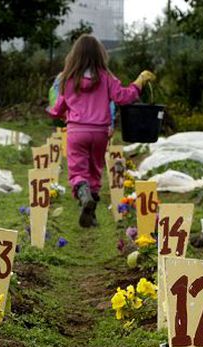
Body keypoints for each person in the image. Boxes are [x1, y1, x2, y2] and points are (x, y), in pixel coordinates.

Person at [47, 35, 155, 228]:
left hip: (76, 131)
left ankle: (83, 193)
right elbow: (122, 97)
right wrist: (138, 83)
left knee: (78, 170)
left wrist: (54, 112)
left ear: (75, 55)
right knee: (95, 170)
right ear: (100, 55)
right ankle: (92, 213)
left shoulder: (69, 77)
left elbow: (60, 106)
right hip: (99, 132)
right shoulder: (105, 77)